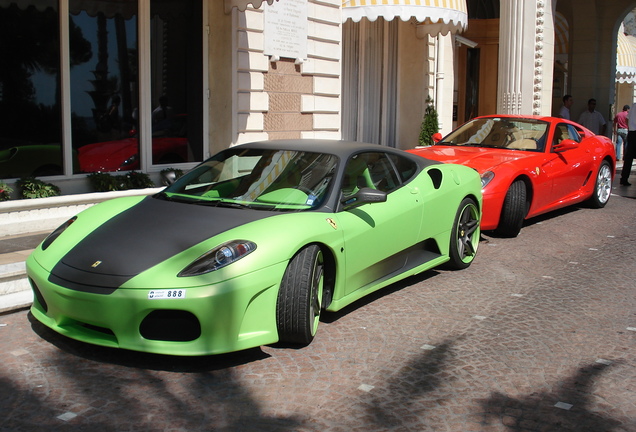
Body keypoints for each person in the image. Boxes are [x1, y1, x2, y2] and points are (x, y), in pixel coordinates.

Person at [620, 102, 636, 186]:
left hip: (632, 133)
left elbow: (627, 119)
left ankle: (624, 178)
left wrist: (630, 128)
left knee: (628, 158)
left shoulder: (633, 105)